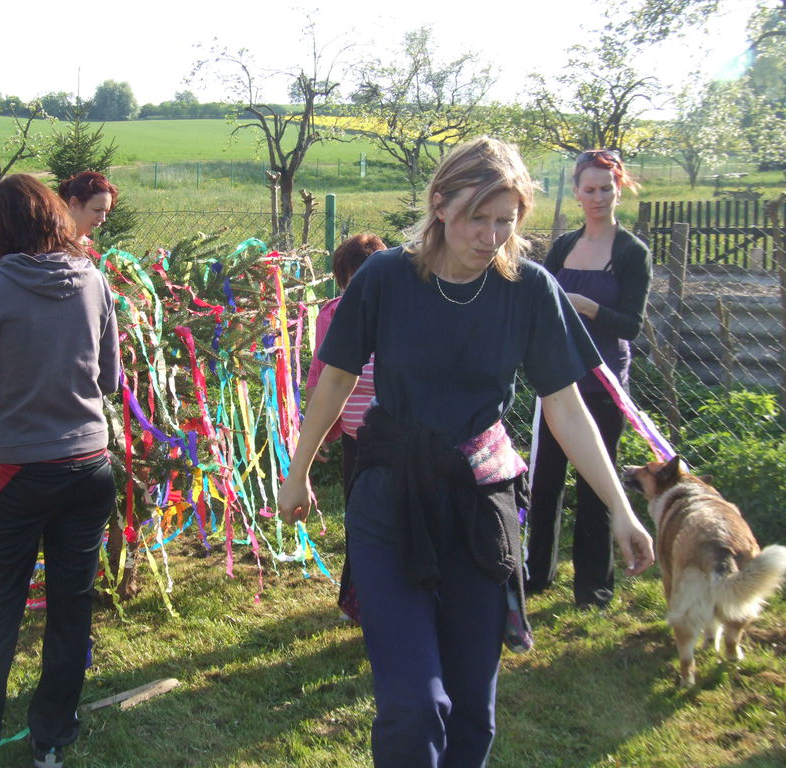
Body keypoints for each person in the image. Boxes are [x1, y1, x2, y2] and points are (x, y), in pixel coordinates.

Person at [277, 137, 654, 768]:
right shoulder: (385, 277)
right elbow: (335, 378)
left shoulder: (529, 288)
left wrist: (620, 507)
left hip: (480, 507)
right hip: (390, 500)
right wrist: (299, 472)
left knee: (471, 709)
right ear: (441, 205)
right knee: (415, 704)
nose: (491, 236)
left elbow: (565, 407)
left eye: (506, 220)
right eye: (478, 217)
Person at [0, 174, 120, 768]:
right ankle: (51, 741)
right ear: (54, 215)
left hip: (22, 471)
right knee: (72, 606)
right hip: (91, 466)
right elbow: (110, 381)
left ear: (3, 226)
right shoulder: (95, 280)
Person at [525, 149, 653, 609]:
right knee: (544, 484)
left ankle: (593, 588)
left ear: (619, 190)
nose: (598, 197)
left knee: (597, 488)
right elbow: (539, 302)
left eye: (606, 188)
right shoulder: (564, 246)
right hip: (558, 383)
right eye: (589, 189)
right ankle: (535, 574)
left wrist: (588, 307)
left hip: (603, 386)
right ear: (576, 193)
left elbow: (632, 325)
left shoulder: (632, 253)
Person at [305, 233, 386, 490]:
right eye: (352, 284)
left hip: (395, 443)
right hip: (354, 440)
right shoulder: (331, 315)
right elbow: (318, 376)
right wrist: (315, 433)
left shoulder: (397, 316)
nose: (361, 293)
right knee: (355, 502)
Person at [59, 170, 119, 262]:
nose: (103, 218)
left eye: (106, 211)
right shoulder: (49, 247)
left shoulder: (96, 251)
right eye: (97, 210)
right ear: (74, 203)